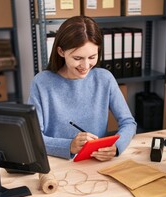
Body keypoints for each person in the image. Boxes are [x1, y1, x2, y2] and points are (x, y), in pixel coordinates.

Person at [28, 15, 136, 161]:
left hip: (95, 163)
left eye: (92, 57)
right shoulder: (41, 83)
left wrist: (116, 146)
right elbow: (33, 138)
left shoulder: (105, 78)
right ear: (61, 52)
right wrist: (69, 146)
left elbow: (128, 123)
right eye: (77, 58)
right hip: (57, 164)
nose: (85, 66)